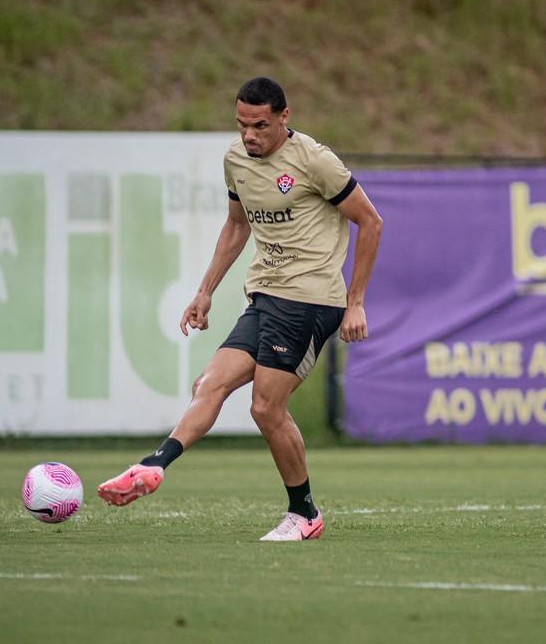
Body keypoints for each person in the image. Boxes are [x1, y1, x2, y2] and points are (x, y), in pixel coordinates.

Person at [97, 76, 382, 541]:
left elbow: (370, 222)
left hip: (310, 300)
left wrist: (356, 303)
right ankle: (152, 466)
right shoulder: (235, 160)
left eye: (260, 125)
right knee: (208, 383)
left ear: (284, 118)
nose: (250, 135)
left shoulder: (314, 160)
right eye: (242, 124)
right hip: (265, 296)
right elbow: (236, 226)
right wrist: (205, 290)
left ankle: (304, 514)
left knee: (266, 408)